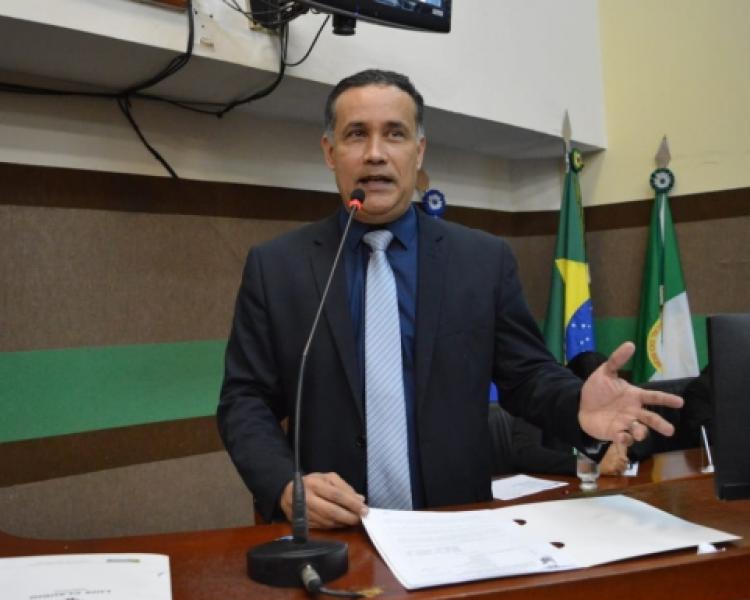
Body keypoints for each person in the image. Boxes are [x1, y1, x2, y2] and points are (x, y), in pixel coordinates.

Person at [217, 69, 681, 528]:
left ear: (418, 151)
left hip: (458, 531)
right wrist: (284, 483)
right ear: (329, 151)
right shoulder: (277, 268)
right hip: (333, 532)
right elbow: (246, 399)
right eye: (356, 134)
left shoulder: (482, 260)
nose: (375, 153)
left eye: (394, 134)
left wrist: (578, 404)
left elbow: (526, 376)